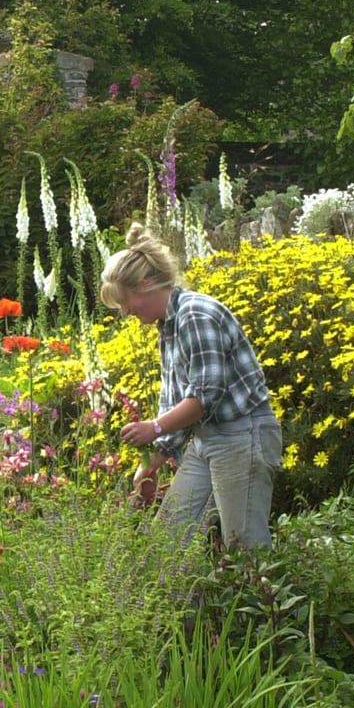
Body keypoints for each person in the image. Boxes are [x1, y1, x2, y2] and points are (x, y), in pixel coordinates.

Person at [102, 222, 281, 548]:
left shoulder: (195, 315)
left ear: (145, 284)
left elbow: (204, 397)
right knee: (168, 542)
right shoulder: (168, 327)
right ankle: (184, 600)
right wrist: (153, 463)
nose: (126, 312)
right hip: (208, 439)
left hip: (242, 435)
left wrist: (154, 428)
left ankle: (263, 596)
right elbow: (176, 403)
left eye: (127, 302)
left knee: (245, 547)